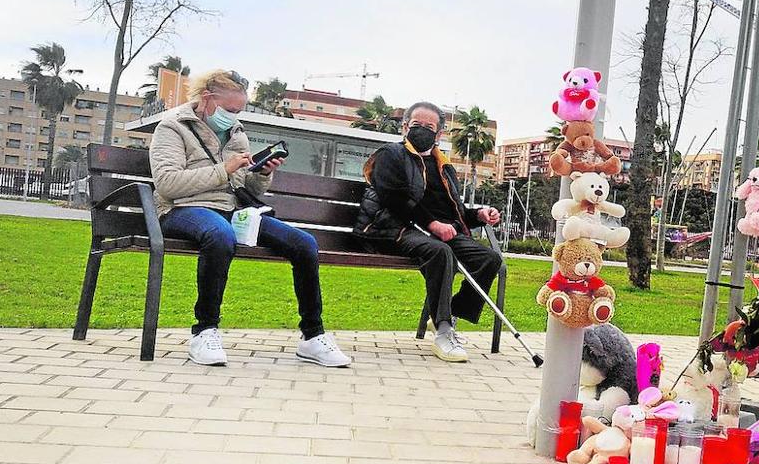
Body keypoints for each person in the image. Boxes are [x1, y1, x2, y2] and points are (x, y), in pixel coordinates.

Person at [148, 68, 351, 368]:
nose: (234, 116)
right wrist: (224, 169)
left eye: (239, 110)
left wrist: (263, 173)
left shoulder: (236, 133)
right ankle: (204, 330)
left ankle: (312, 336)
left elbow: (244, 186)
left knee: (304, 243)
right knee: (219, 235)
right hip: (181, 209)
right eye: (230, 109)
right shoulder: (173, 127)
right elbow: (167, 183)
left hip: (232, 210)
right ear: (207, 98)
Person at [355, 101, 502, 362]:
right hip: (395, 227)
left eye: (429, 127)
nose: (421, 130)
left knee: (489, 259)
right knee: (440, 251)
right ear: (404, 127)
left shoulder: (443, 166)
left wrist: (478, 214)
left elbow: (452, 211)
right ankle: (444, 331)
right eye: (416, 125)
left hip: (438, 233)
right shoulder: (390, 155)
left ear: (440, 134)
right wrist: (432, 224)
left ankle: (450, 314)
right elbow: (395, 199)